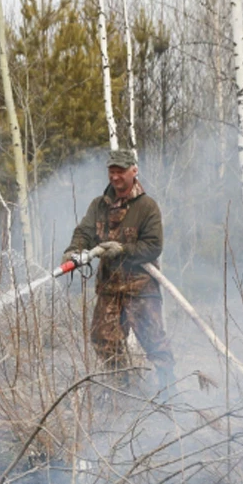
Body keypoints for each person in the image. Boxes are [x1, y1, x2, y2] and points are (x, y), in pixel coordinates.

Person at [62, 148, 175, 389]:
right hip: (109, 288)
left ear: (134, 171)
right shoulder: (99, 205)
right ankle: (125, 390)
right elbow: (84, 233)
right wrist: (75, 250)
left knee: (154, 342)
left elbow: (153, 246)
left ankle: (168, 393)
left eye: (120, 172)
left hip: (140, 289)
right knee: (103, 339)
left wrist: (123, 250)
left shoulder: (147, 207)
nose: (115, 177)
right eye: (111, 172)